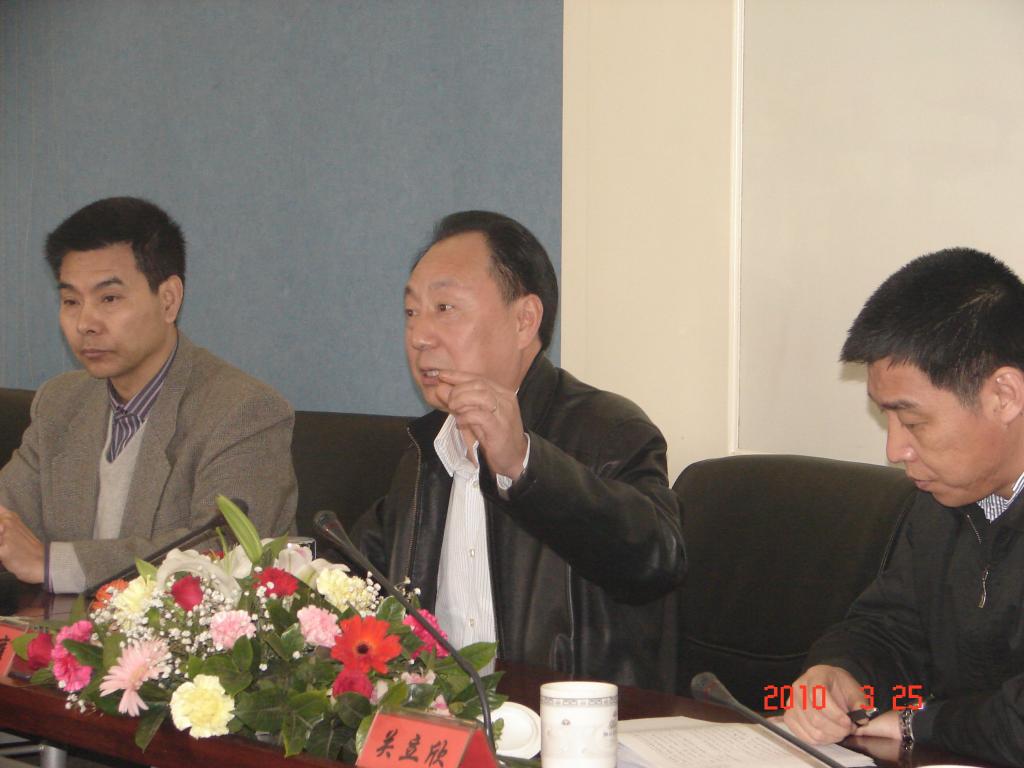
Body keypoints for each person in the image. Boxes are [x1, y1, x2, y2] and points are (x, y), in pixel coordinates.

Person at [354, 210, 686, 690]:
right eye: (411, 312)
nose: (420, 336)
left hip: (565, 724)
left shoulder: (609, 432)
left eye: (445, 307)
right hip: (442, 724)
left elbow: (658, 562)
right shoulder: (423, 456)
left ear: (524, 320)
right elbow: (353, 580)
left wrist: (524, 465)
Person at [784, 248, 1024, 766]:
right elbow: (890, 626)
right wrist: (837, 672)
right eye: (886, 419)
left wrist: (918, 722)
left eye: (913, 422)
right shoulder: (942, 500)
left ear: (1004, 396)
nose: (895, 450)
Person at [0, 197, 297, 593]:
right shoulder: (60, 402)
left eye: (109, 299)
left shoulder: (244, 411)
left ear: (168, 299)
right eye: (71, 301)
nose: (85, 323)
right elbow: (8, 518)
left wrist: (53, 563)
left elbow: (226, 555)